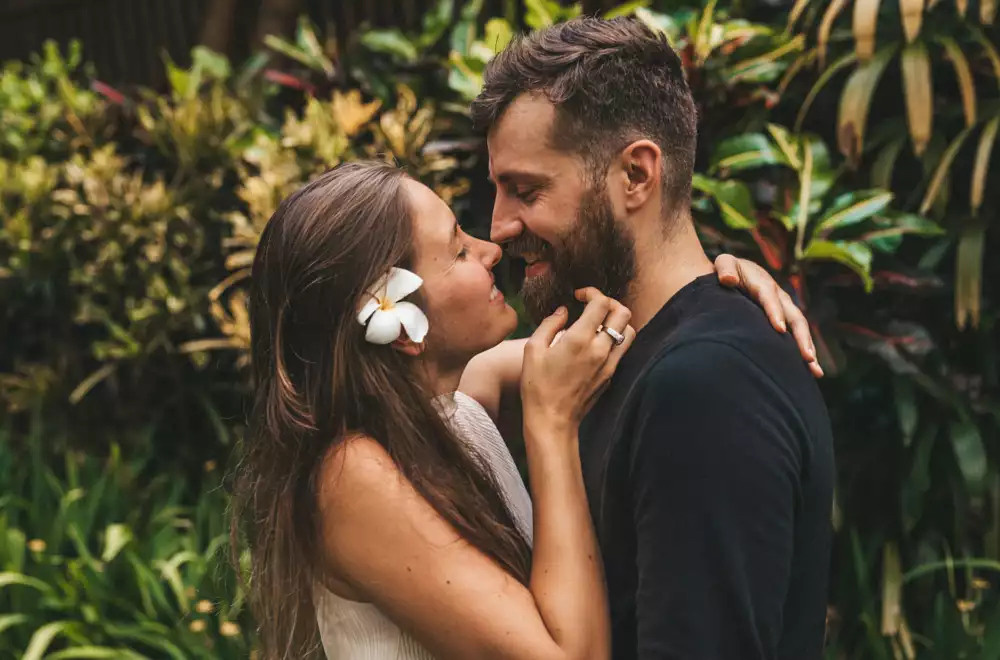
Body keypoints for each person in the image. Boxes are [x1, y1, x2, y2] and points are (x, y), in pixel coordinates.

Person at [229, 160, 817, 659]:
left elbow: (621, 327)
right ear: (401, 326)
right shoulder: (351, 474)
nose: (491, 250)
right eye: (458, 249)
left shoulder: (450, 404)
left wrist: (723, 285)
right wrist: (551, 426)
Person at [474, 16, 835, 660]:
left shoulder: (706, 386)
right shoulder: (612, 362)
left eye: (526, 191)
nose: (499, 226)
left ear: (637, 176)